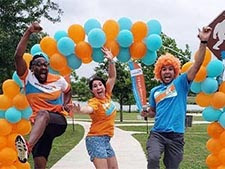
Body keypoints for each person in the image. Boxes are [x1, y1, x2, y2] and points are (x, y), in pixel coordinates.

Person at [141, 26, 212, 169]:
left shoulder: (181, 83)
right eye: (164, 69)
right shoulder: (155, 91)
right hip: (158, 134)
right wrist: (147, 113)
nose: (167, 72)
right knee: (153, 158)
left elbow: (197, 65)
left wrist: (203, 42)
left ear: (175, 71)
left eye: (170, 69)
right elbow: (154, 112)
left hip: (176, 136)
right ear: (159, 72)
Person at [14, 22, 72, 169]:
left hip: (57, 121)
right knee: (39, 165)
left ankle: (28, 146)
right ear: (32, 68)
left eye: (45, 64)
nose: (44, 67)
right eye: (39, 64)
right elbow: (18, 56)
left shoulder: (58, 80)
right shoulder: (28, 78)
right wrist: (28, 32)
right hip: (40, 129)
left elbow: (68, 90)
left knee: (43, 114)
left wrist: (66, 103)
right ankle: (31, 148)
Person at [70, 47, 118, 169]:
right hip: (95, 139)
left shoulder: (107, 95)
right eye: (95, 86)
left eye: (100, 84)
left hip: (106, 140)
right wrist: (80, 110)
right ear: (92, 91)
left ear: (104, 86)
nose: (98, 87)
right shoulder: (94, 102)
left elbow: (112, 77)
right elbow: (89, 109)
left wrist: (111, 60)